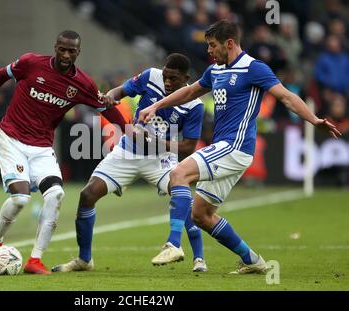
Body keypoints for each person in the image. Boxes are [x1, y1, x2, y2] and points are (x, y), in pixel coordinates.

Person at [138, 20, 341, 274]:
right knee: (200, 215)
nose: (209, 51)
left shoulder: (253, 68)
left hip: (235, 146)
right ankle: (252, 260)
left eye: (213, 45)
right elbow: (189, 92)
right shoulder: (214, 71)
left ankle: (174, 243)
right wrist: (156, 106)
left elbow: (286, 97)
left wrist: (313, 119)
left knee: (178, 173)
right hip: (225, 149)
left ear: (230, 43)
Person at [0, 30, 127, 275]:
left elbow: (107, 109)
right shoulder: (31, 63)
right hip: (11, 138)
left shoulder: (83, 84)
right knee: (20, 199)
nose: (65, 54)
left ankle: (35, 261)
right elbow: (2, 75)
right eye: (62, 49)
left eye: (71, 51)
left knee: (56, 195)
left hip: (41, 147)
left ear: (78, 53)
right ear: (55, 47)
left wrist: (129, 131)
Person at [52, 53, 208, 273]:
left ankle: (198, 258)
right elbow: (121, 91)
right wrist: (110, 96)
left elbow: (188, 147)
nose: (167, 82)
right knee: (87, 195)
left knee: (183, 198)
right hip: (127, 151)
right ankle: (84, 260)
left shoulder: (195, 104)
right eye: (165, 76)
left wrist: (154, 141)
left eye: (173, 78)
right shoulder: (150, 76)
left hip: (160, 159)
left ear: (186, 78)